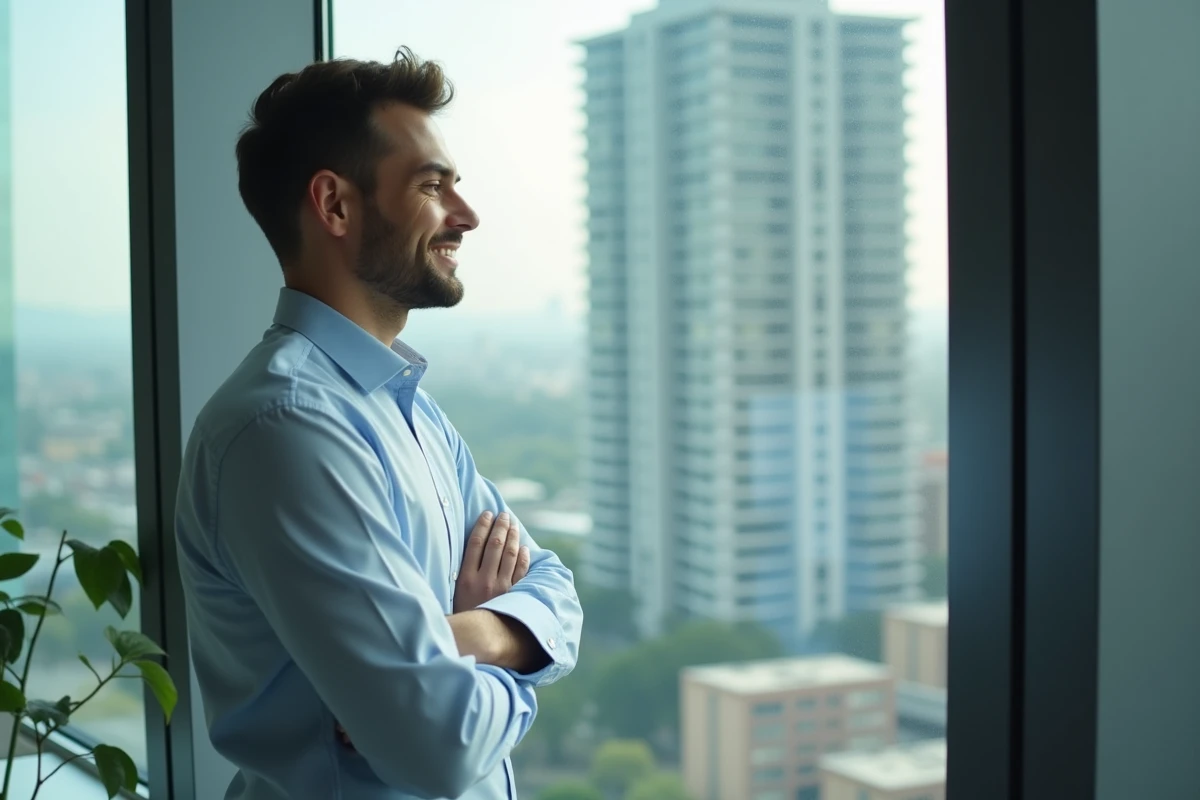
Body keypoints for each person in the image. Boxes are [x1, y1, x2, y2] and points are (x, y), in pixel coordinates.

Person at [174, 48, 582, 800]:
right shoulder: (286, 430)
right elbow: (439, 745)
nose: (467, 215)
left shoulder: (408, 409)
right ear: (333, 205)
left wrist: (471, 635)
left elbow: (556, 589)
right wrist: (520, 656)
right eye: (432, 185)